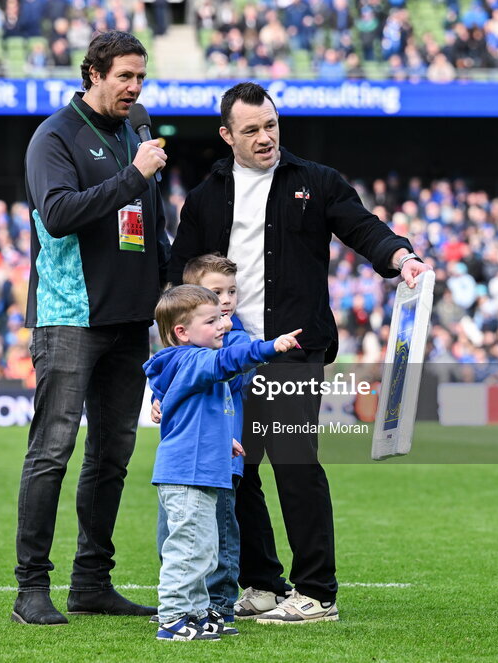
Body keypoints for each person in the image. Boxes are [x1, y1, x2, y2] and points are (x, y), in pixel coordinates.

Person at [169, 82, 431, 623]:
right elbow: (178, 284)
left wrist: (400, 256)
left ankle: (317, 592)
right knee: (236, 470)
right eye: (251, 130)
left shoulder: (316, 181)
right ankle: (263, 583)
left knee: (294, 462)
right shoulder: (203, 198)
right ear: (227, 136)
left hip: (294, 351)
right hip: (228, 357)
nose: (265, 138)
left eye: (270, 125)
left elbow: (362, 228)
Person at [12, 30, 170, 626]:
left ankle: (91, 583)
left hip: (132, 320)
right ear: (93, 75)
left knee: (113, 456)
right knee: (52, 452)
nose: (134, 88)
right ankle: (31, 589)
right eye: (124, 76)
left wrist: (170, 281)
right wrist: (133, 175)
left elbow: (147, 220)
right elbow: (56, 216)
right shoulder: (54, 137)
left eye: (140, 77)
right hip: (71, 316)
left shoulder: (140, 127)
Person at [144, 284, 301, 641]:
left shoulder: (191, 360)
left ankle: (196, 613)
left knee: (202, 549)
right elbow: (228, 361)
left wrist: (221, 440)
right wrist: (269, 347)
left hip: (197, 469)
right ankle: (172, 618)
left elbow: (192, 415)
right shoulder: (194, 359)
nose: (223, 326)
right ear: (182, 332)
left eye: (223, 318)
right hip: (188, 474)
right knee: (188, 549)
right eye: (212, 321)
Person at [153, 254, 249, 635]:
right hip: (192, 463)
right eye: (215, 293)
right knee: (189, 541)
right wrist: (160, 397)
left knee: (211, 543)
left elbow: (232, 373)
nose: (225, 301)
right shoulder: (199, 348)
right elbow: (171, 375)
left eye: (231, 292)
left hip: (218, 456)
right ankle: (179, 613)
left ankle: (209, 608)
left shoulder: (227, 338)